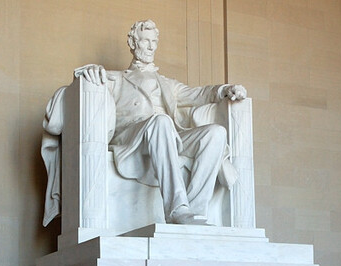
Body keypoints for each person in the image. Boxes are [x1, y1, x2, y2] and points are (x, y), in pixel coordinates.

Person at [76, 19, 247, 224]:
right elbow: (84, 77)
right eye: (145, 41)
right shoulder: (117, 78)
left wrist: (226, 90)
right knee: (161, 121)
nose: (150, 46)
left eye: (154, 41)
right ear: (132, 43)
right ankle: (176, 208)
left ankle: (196, 210)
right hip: (132, 137)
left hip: (167, 135)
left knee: (216, 133)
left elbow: (200, 93)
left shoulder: (167, 84)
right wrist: (91, 71)